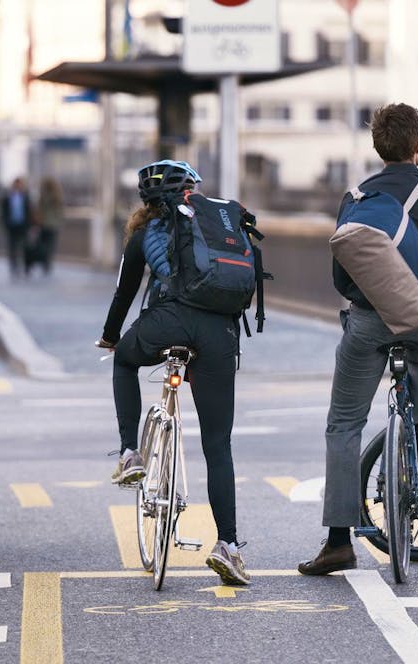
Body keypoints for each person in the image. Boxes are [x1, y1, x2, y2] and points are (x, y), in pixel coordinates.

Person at [298, 103, 418, 575]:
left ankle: (337, 541)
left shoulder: (358, 196)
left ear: (377, 146)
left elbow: (341, 275)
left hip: (368, 322)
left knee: (344, 425)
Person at [96, 160, 252, 586]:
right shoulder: (216, 224)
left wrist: (111, 338)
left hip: (167, 323)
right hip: (220, 332)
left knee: (126, 362)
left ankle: (131, 453)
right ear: (193, 190)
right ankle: (230, 547)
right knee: (218, 444)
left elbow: (124, 295)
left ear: (146, 200)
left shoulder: (145, 233)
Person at [27, 177, 64, 275]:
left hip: (44, 224)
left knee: (44, 245)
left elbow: (39, 210)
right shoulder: (57, 196)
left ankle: (45, 262)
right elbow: (60, 212)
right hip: (52, 225)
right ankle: (47, 263)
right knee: (50, 246)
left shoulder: (44, 196)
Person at [0, 177, 32, 277]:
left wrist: (30, 225)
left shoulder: (26, 197)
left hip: (23, 226)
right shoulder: (7, 197)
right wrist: (5, 223)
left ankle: (26, 266)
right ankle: (14, 266)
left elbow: (30, 211)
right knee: (12, 247)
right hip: (12, 225)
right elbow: (3, 212)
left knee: (25, 246)